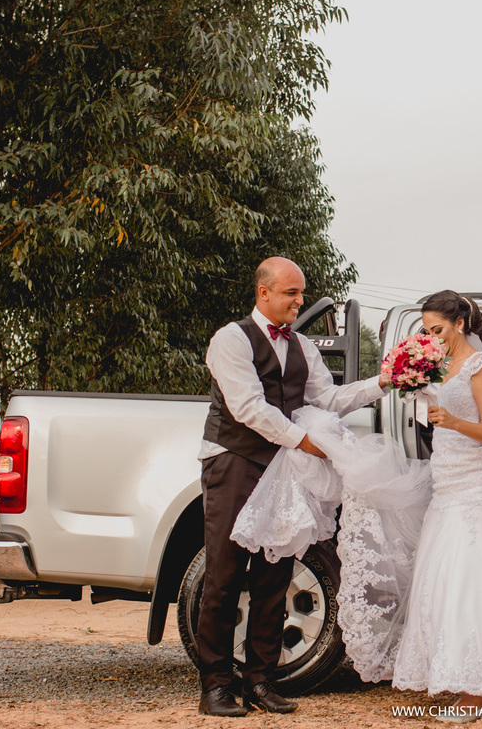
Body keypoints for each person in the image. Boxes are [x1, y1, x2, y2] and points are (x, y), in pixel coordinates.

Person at [194, 257, 388, 717]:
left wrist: (384, 383)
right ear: (264, 293)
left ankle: (260, 679)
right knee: (223, 576)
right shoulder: (231, 339)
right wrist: (306, 441)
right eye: (291, 293)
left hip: (285, 470)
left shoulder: (302, 345)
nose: (300, 301)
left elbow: (329, 398)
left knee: (274, 574)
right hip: (235, 462)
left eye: (301, 293)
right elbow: (248, 408)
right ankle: (216, 686)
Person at [389, 290, 482, 721]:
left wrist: (451, 420)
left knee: (476, 583)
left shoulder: (480, 365)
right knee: (445, 581)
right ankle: (460, 671)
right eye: (426, 331)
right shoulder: (433, 363)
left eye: (437, 330)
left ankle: (480, 689)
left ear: (459, 323)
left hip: (479, 483)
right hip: (447, 482)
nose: (432, 338)